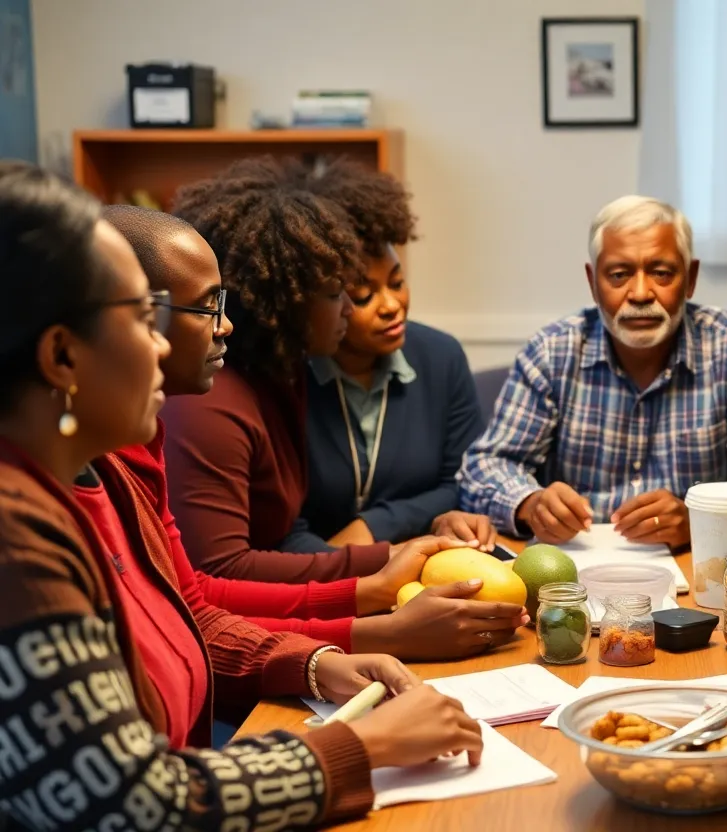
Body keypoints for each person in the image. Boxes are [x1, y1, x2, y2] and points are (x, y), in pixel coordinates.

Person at [0, 162, 483, 830]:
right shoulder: (14, 540)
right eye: (144, 318)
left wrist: (319, 665)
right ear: (61, 358)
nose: (161, 345)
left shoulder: (103, 473)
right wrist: (362, 747)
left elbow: (190, 614)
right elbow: (133, 801)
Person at [103, 204, 524, 660]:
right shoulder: (205, 408)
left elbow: (194, 599)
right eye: (338, 293)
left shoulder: (267, 387)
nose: (224, 324)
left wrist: (371, 588)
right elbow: (203, 595)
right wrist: (370, 612)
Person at [458, 195, 727, 546]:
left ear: (690, 277)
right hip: (572, 567)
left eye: (661, 273)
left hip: (696, 567)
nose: (639, 293)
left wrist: (702, 519)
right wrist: (530, 504)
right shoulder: (553, 351)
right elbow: (485, 466)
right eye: (619, 275)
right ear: (592, 282)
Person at [277, 157, 493, 552]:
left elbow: (461, 482)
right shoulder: (282, 376)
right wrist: (355, 566)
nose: (392, 305)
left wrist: (373, 527)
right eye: (363, 295)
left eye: (398, 282)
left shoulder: (441, 357)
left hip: (424, 568)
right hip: (316, 583)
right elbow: (282, 529)